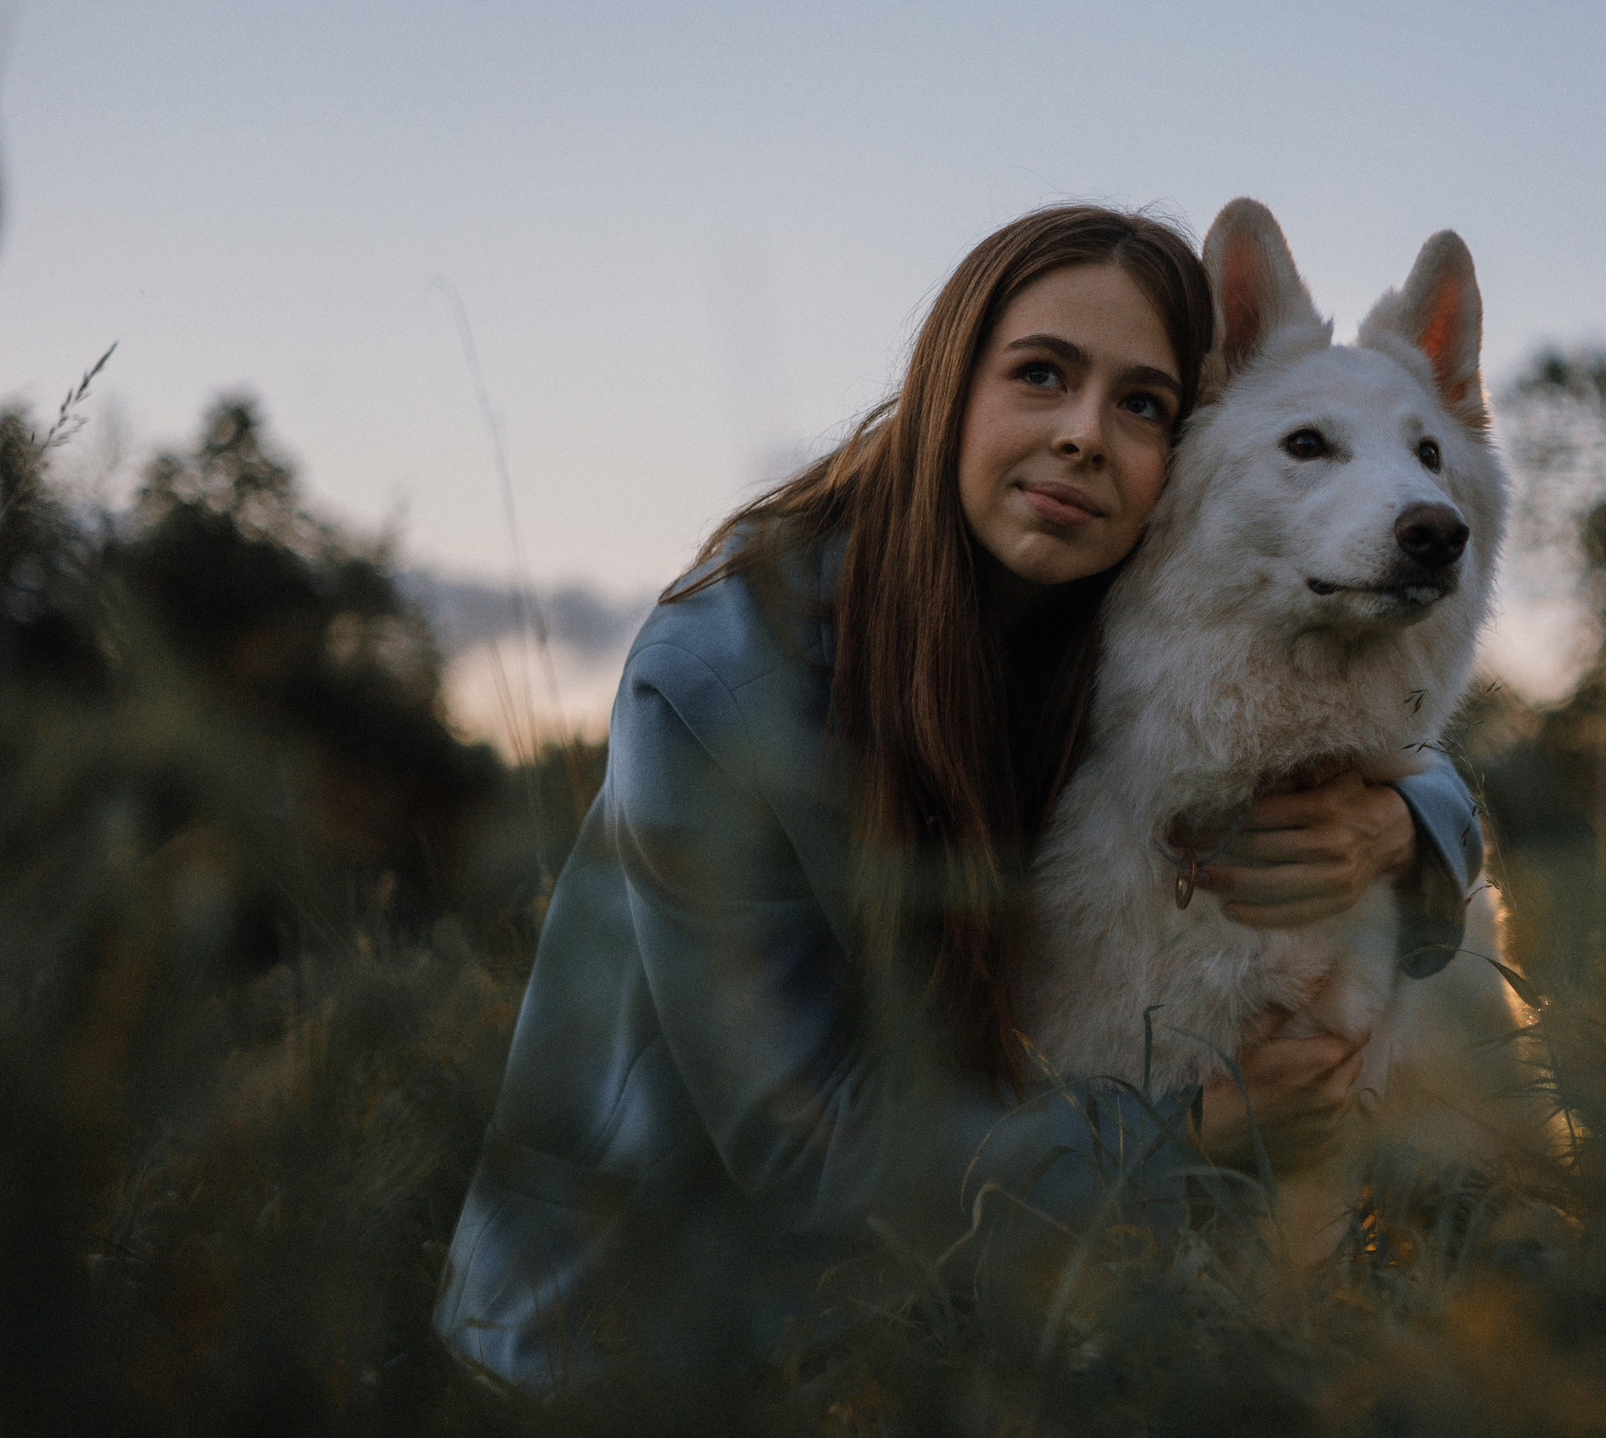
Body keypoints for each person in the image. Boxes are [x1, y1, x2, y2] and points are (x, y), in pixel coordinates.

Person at [433, 205, 1483, 1392]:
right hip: (649, 1329)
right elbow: (811, 1146)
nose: (1086, 436)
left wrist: (1412, 818)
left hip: (948, 1289)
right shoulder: (722, 678)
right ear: (947, 388)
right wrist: (1197, 1135)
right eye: (1041, 375)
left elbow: (1315, 710)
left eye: (1140, 403)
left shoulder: (1111, 607)